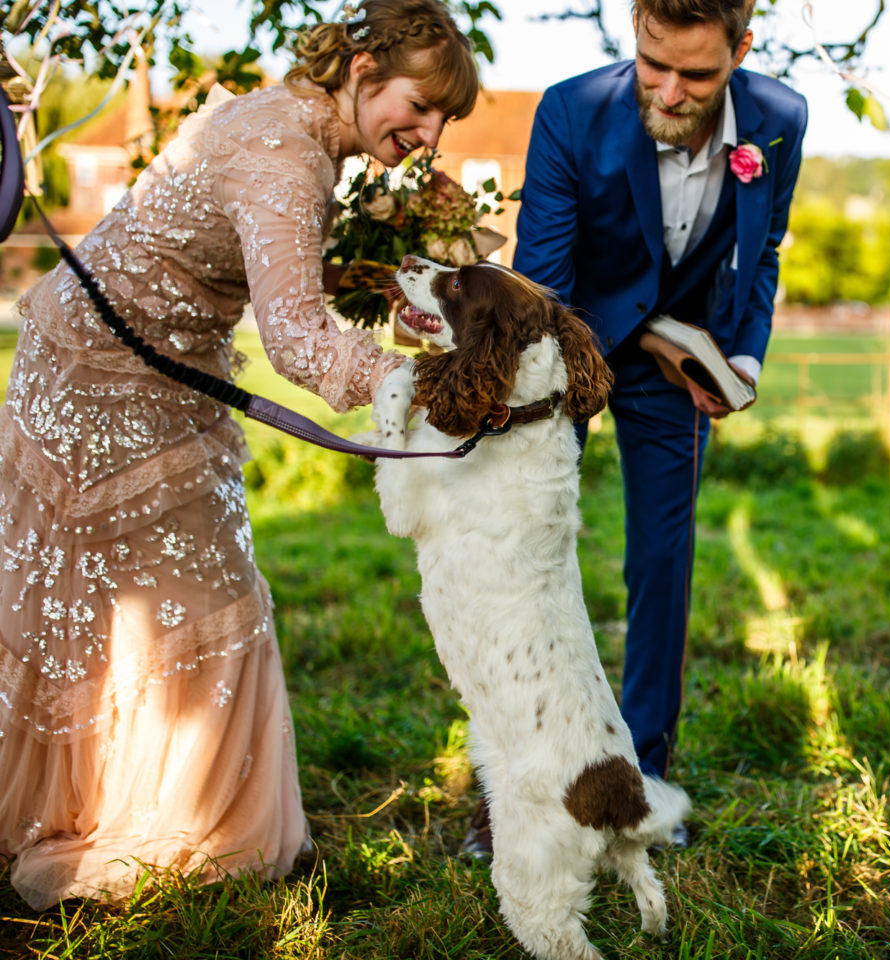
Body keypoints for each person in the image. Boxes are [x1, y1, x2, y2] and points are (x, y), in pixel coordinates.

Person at [0, 0, 478, 909]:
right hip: (101, 374)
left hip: (163, 370)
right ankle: (184, 828)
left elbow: (262, 263)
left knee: (145, 601)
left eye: (445, 120)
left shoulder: (296, 123)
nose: (430, 135)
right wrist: (434, 388)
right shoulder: (285, 152)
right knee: (189, 598)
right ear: (365, 72)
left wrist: (377, 283)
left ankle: (130, 803)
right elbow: (297, 341)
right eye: (420, 108)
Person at [456, 0, 804, 849]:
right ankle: (513, 790)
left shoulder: (783, 120)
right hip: (563, 352)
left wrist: (745, 357)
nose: (672, 90)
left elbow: (762, 255)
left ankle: (640, 775)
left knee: (662, 559)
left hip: (676, 378)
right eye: (655, 64)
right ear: (637, 27)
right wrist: (646, 329)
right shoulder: (574, 110)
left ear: (742, 50)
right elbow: (541, 279)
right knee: (528, 559)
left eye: (698, 74)